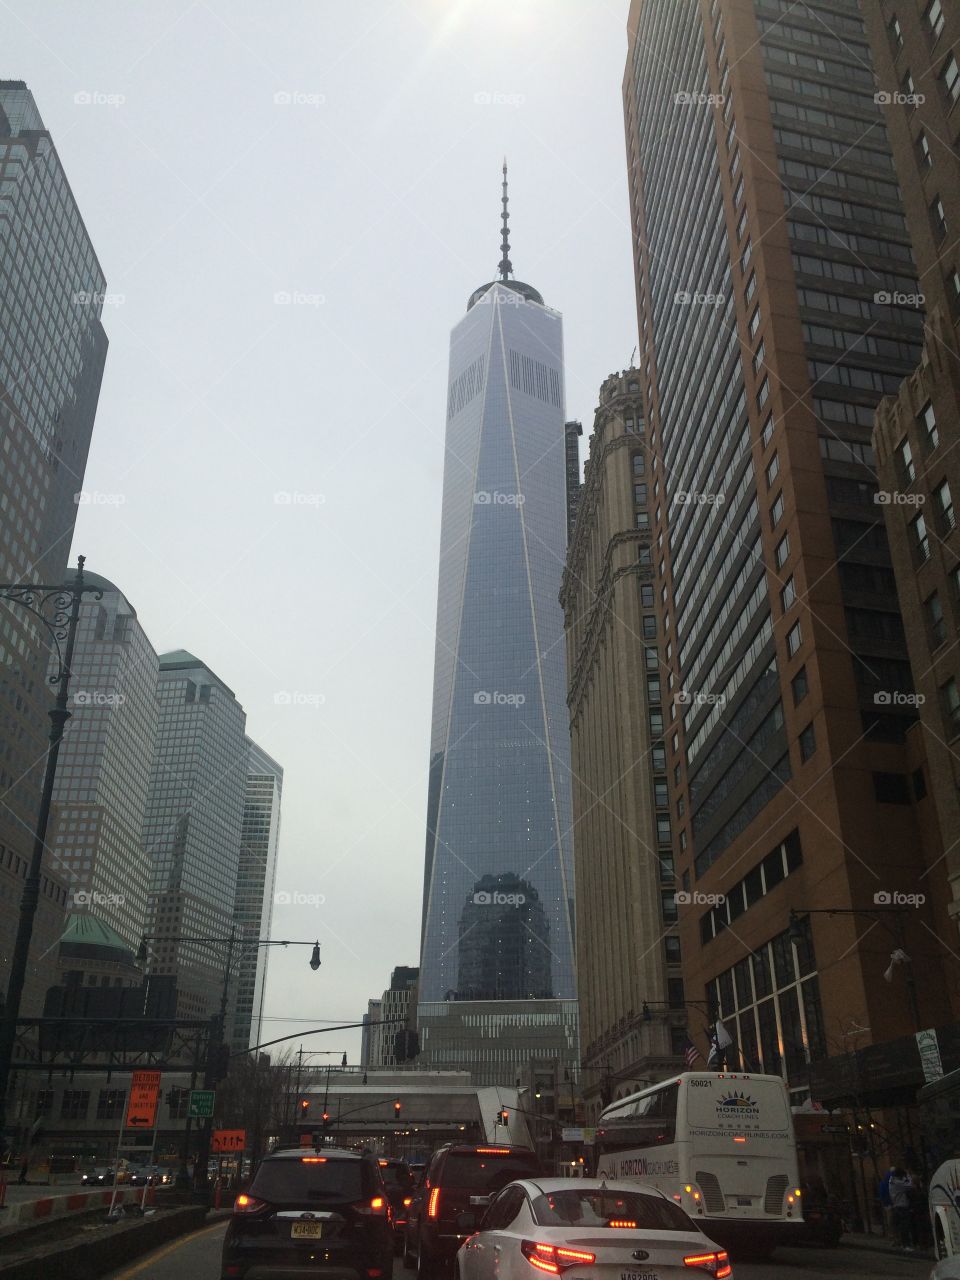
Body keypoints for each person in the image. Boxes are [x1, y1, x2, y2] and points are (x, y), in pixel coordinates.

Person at [888, 1167, 915, 1251]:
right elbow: (910, 1185)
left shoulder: (892, 1181)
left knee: (900, 1226)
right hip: (902, 1206)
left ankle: (902, 1243)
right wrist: (908, 1176)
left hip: (896, 1205)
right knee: (904, 1226)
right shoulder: (898, 1183)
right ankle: (906, 1245)